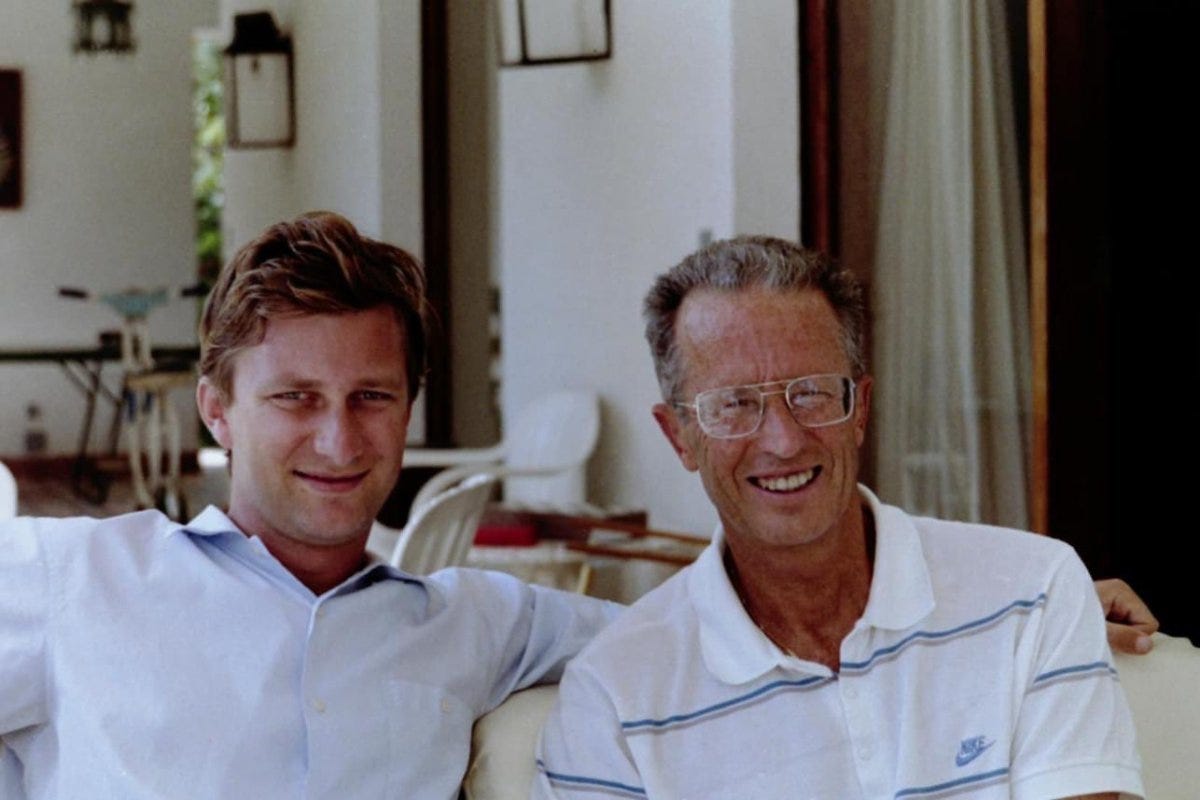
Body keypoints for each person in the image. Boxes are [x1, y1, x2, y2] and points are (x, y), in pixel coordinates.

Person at [0, 212, 617, 799]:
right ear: (217, 411)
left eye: (371, 397)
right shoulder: (74, 580)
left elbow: (683, 638)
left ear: (408, 408)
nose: (338, 442)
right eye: (296, 397)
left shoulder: (478, 624)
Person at [534, 237, 1144, 799]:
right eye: (735, 405)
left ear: (860, 408)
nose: (782, 440)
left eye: (811, 393)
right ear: (680, 438)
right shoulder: (612, 698)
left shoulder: (1032, 595)